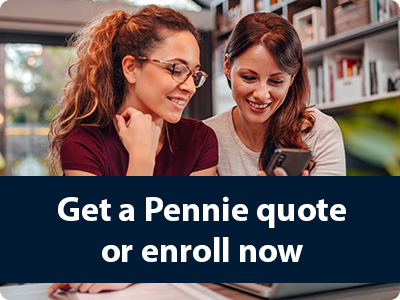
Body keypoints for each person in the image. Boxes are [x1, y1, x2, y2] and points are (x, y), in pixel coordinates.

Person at [49, 5, 218, 176]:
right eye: (176, 69)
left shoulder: (199, 140)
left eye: (194, 74)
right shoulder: (84, 146)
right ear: (131, 68)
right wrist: (142, 158)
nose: (190, 88)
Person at [204, 12, 345, 176]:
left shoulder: (320, 133)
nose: (262, 94)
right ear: (227, 66)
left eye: (276, 81)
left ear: (292, 78)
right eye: (249, 78)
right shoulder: (207, 136)